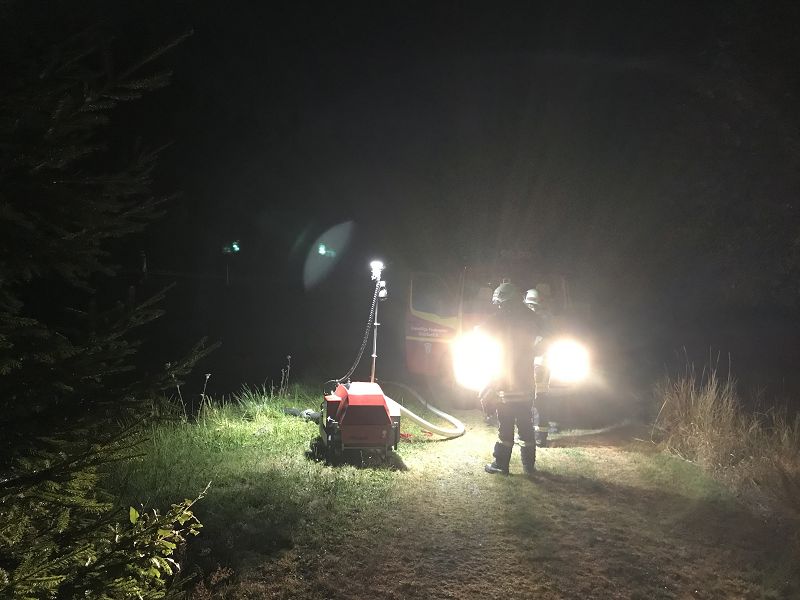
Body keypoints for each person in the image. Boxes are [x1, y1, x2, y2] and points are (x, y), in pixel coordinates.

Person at [479, 282, 543, 476]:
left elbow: (482, 330)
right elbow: (545, 336)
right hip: (526, 383)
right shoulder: (532, 317)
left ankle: (501, 464)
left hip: (506, 382)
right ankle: (529, 467)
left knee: (505, 426)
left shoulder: (501, 318)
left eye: (500, 303)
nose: (499, 306)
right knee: (526, 426)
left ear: (505, 302)